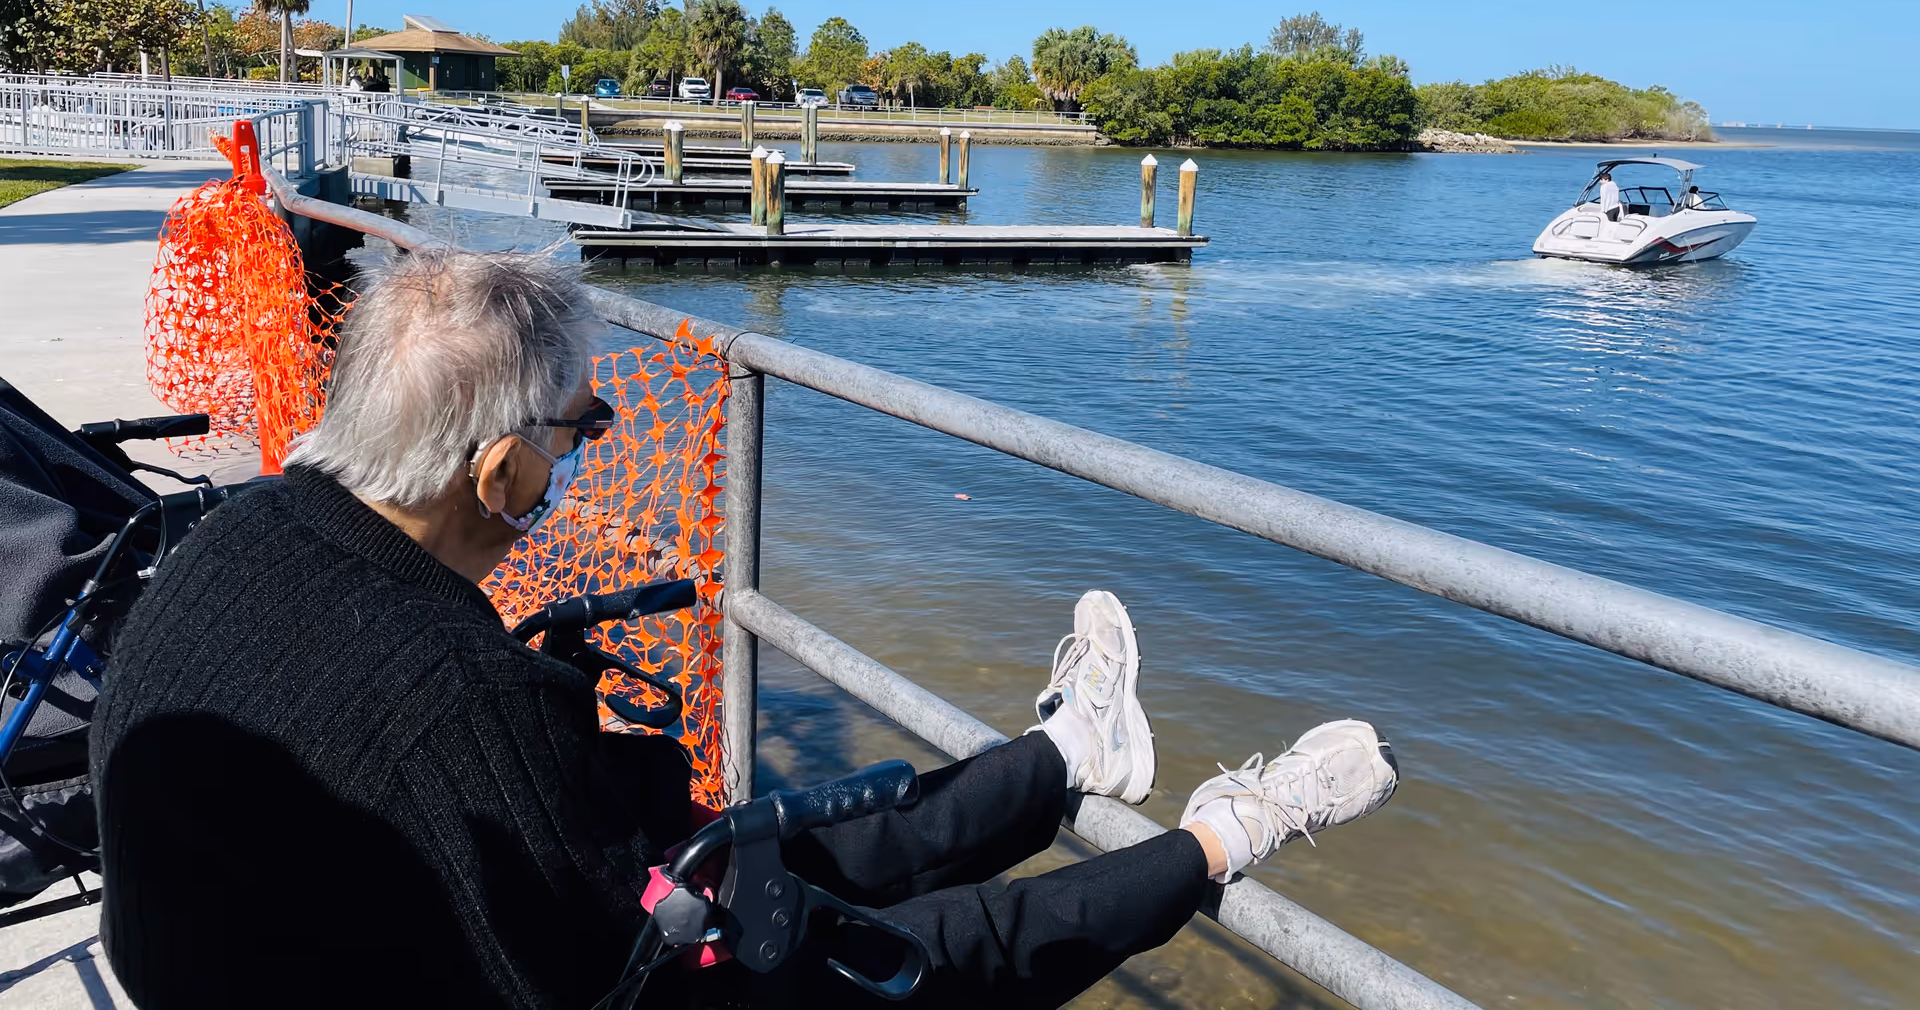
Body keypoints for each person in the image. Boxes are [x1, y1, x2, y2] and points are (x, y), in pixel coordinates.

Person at [92, 251, 1400, 1010]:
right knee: (922, 952)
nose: (587, 450)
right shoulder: (457, 696)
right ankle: (1231, 834)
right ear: (500, 476)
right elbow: (620, 970)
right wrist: (581, 751)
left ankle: (1071, 757)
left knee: (803, 843)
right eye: (580, 430)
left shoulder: (239, 534)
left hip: (340, 949)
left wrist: (577, 759)